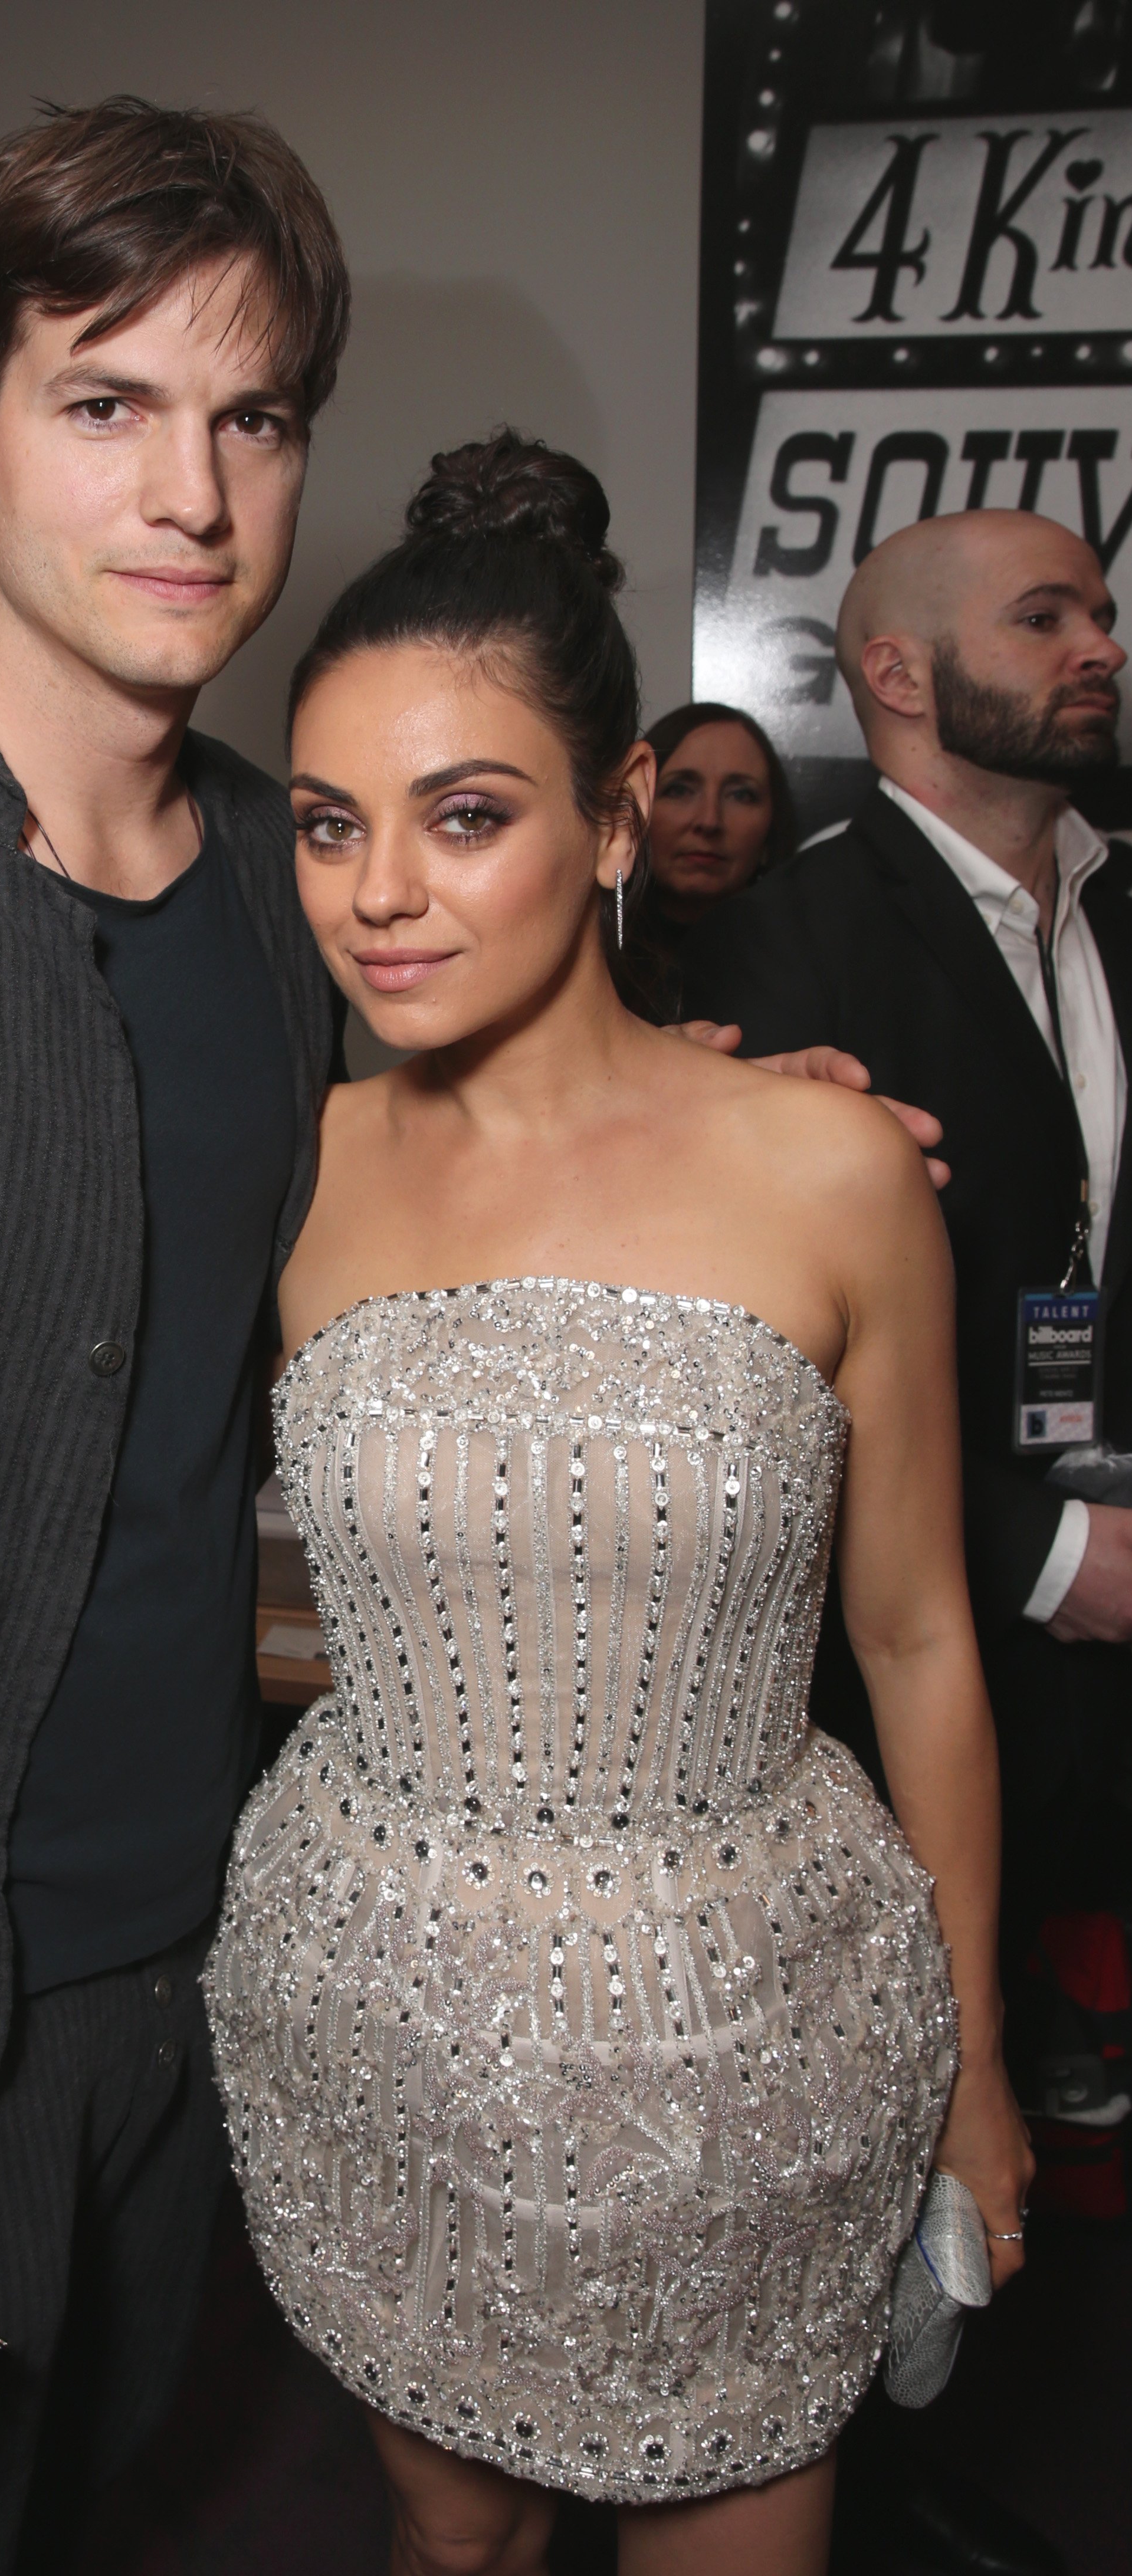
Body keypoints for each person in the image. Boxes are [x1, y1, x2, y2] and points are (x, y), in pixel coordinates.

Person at [0, 100, 934, 2574]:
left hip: (222, 2002)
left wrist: (731, 1107)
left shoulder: (300, 899)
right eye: (105, 403)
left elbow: (478, 1174)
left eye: (249, 418)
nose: (191, 489)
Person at [204, 436, 1032, 2576]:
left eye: (460, 816)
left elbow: (922, 1641)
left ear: (607, 828)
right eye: (326, 823)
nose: (373, 890)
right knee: (443, 2539)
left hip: (742, 2050)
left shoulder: (823, 1169)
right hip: (371, 2020)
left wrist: (968, 2059)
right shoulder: (290, 1171)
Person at [680, 507, 1127, 2576]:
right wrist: (1049, 1546)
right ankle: (823, 2467)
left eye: (1103, 610)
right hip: (895, 1638)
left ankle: (921, 2400)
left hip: (1077, 1621)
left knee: (1000, 2035)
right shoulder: (799, 934)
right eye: (1047, 615)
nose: (1098, 643)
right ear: (893, 672)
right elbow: (786, 1360)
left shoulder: (1117, 901)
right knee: (853, 2087)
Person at [639, 702, 795, 1015]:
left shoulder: (804, 966)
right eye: (679, 790)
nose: (709, 821)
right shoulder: (589, 959)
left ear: (772, 826)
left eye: (740, 795)